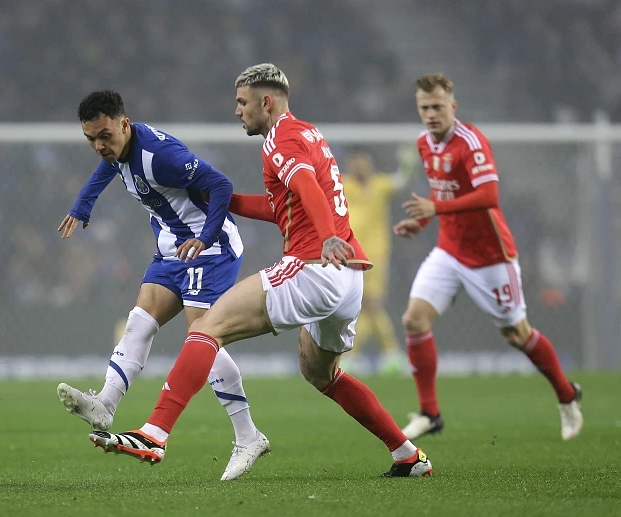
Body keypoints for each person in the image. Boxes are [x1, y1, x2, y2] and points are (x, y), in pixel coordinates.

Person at [90, 64, 433, 478]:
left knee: (206, 328)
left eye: (242, 102)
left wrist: (325, 237)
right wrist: (227, 200)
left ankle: (155, 433)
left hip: (314, 266)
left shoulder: (280, 140)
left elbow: (305, 185)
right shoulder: (309, 133)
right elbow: (282, 207)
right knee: (322, 373)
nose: (237, 111)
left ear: (265, 102)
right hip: (348, 277)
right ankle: (407, 455)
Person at [55, 90, 269, 481]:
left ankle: (248, 435)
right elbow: (111, 165)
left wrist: (204, 237)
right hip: (172, 247)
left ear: (124, 124)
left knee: (203, 336)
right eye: (91, 139)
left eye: (105, 135)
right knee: (140, 320)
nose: (99, 146)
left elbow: (220, 185)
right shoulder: (119, 149)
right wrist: (83, 204)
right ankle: (104, 403)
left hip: (210, 248)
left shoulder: (160, 157)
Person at [392, 73, 583, 441]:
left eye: (437, 107)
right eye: (424, 108)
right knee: (414, 320)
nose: (431, 114)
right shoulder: (423, 143)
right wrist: (426, 221)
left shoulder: (471, 143)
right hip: (449, 249)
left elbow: (489, 196)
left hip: (490, 255)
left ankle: (566, 393)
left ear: (453, 106)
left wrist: (435, 207)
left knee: (516, 333)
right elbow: (445, 194)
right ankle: (430, 413)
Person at [341, 148, 414, 375]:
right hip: (348, 254)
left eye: (363, 161)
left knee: (370, 304)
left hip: (376, 256)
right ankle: (390, 355)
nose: (359, 166)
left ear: (370, 163)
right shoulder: (343, 184)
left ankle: (366, 356)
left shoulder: (380, 185)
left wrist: (407, 165)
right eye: (355, 162)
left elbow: (400, 181)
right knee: (363, 307)